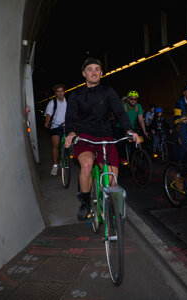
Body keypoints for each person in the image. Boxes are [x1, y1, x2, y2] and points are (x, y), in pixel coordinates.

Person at [64, 58, 140, 220]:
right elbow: (70, 117)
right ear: (84, 73)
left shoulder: (108, 91)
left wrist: (129, 130)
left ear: (101, 73)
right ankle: (85, 202)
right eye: (90, 69)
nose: (94, 72)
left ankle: (111, 205)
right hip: (86, 138)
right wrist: (71, 132)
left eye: (97, 69)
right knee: (86, 165)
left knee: (112, 182)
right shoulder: (76, 95)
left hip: (106, 138)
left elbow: (120, 112)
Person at [44, 84, 68, 176]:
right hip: (55, 126)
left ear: (64, 92)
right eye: (58, 91)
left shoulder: (68, 101)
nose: (60, 93)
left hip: (66, 125)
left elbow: (72, 113)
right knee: (55, 144)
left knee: (70, 142)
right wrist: (47, 122)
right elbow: (48, 114)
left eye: (62, 91)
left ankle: (66, 155)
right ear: (55, 93)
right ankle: (55, 166)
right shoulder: (52, 103)